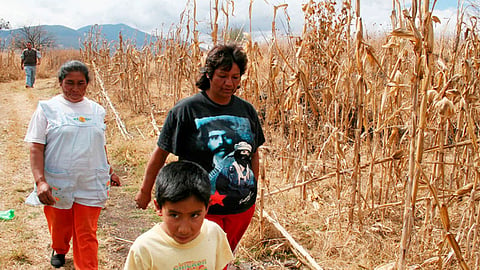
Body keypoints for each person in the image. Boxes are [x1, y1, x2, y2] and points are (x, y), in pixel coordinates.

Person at [136, 43, 265, 252]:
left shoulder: (246, 110)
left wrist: (253, 187)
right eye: (223, 76)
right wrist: (145, 192)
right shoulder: (186, 110)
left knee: (223, 257)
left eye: (235, 77)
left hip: (241, 208)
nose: (229, 83)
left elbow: (254, 153)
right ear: (208, 74)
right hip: (199, 209)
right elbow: (161, 154)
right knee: (199, 259)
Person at [24, 60, 120, 269]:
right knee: (60, 225)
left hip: (91, 181)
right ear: (60, 82)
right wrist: (40, 181)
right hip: (58, 181)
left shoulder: (97, 110)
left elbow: (99, 145)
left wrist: (109, 170)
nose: (75, 89)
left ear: (87, 84)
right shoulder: (48, 109)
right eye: (69, 83)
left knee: (86, 233)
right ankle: (59, 247)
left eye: (81, 83)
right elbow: (36, 148)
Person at [124, 160, 233, 270]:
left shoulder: (214, 233)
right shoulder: (145, 248)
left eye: (194, 215)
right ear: (158, 207)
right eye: (174, 215)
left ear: (207, 207)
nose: (184, 229)